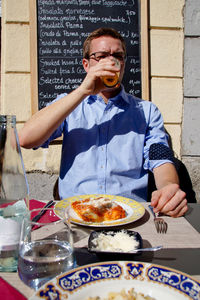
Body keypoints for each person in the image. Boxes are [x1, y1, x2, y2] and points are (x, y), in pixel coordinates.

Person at [19, 27, 188, 217]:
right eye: (101, 56)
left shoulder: (146, 111)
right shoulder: (70, 104)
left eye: (118, 55)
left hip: (127, 215)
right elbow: (26, 139)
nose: (111, 61)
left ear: (123, 64)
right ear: (86, 64)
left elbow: (160, 158)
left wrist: (168, 187)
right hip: (76, 213)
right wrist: (83, 91)